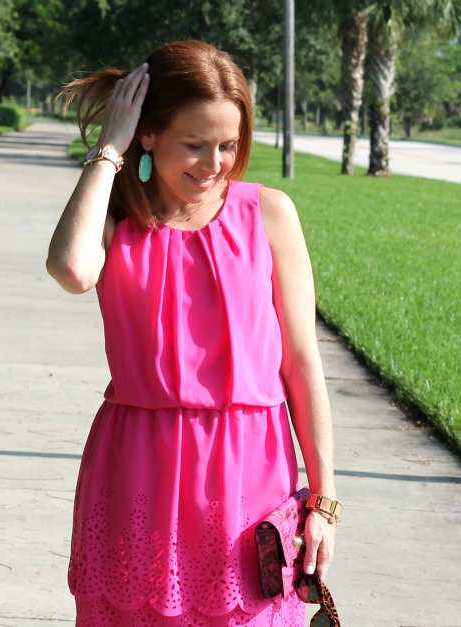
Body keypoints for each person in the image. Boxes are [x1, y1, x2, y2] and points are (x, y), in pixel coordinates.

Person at [47, 40, 338, 626]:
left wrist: (324, 503)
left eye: (228, 146)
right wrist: (109, 149)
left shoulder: (269, 214)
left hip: (250, 474)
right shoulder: (117, 223)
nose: (214, 165)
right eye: (195, 144)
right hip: (138, 473)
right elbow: (72, 269)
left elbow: (302, 364)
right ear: (148, 134)